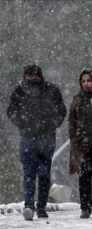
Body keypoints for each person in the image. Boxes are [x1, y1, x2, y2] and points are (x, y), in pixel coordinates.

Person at [7, 64, 66, 220]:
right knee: (33, 173)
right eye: (29, 76)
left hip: (42, 137)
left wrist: (51, 124)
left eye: (33, 76)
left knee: (39, 174)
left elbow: (61, 110)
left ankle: (38, 206)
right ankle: (31, 206)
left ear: (39, 76)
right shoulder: (20, 90)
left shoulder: (49, 90)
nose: (31, 79)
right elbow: (11, 111)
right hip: (30, 137)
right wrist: (24, 123)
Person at [68, 69, 92, 219]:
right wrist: (75, 138)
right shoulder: (77, 99)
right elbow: (72, 120)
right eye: (83, 81)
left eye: (88, 80)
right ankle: (85, 207)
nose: (86, 84)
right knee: (84, 176)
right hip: (84, 143)